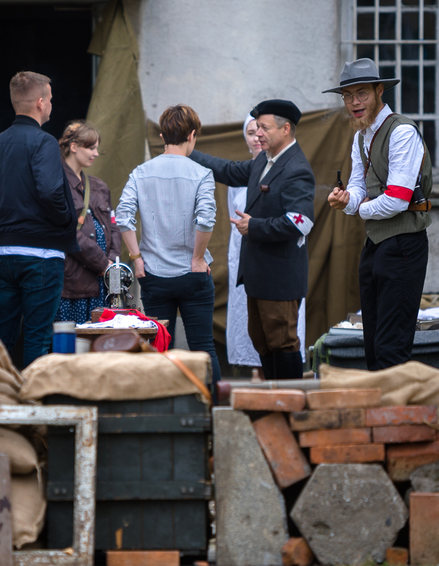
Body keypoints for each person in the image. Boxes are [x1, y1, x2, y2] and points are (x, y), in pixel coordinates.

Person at [188, 99, 315, 380]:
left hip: (280, 277)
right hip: (259, 274)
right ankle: (274, 402)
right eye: (256, 127)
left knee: (282, 343)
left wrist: (254, 226)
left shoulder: (296, 168)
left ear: (285, 129)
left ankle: (289, 407)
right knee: (264, 343)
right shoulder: (264, 160)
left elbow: (301, 221)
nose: (257, 133)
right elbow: (230, 170)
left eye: (264, 128)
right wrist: (189, 152)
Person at [325, 58, 433, 370]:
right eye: (347, 96)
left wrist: (359, 209)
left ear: (379, 91)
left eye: (362, 93)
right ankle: (381, 416)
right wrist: (344, 200)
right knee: (372, 345)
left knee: (391, 347)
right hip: (375, 246)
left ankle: (399, 416)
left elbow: (398, 200)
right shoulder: (361, 136)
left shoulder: (401, 132)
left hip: (404, 246)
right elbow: (359, 188)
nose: (354, 102)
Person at [0, 71, 78, 367]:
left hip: (5, 253)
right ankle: (34, 405)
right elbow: (48, 190)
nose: (53, 105)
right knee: (37, 335)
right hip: (41, 255)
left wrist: (3, 228)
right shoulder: (43, 142)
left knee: (3, 333)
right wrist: (63, 222)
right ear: (41, 103)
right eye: (52, 99)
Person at [116, 104, 222, 386]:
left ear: (162, 135)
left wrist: (136, 257)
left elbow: (123, 216)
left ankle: (158, 411)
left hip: (153, 273)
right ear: (192, 134)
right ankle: (214, 412)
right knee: (203, 348)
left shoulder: (140, 172)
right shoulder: (202, 173)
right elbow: (206, 219)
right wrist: (198, 258)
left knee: (157, 348)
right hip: (193, 274)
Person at [55, 121, 122, 325]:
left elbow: (113, 226)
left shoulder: (99, 186)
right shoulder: (56, 183)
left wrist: (111, 262)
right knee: (72, 346)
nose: (96, 153)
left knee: (98, 345)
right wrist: (102, 263)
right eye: (90, 147)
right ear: (74, 147)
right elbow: (66, 231)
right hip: (72, 282)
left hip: (101, 282)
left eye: (96, 148)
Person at [225, 114, 263, 370]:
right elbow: (232, 214)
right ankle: (252, 371)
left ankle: (270, 371)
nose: (256, 137)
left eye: (259, 130)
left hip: (270, 253)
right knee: (244, 311)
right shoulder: (238, 177)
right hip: (241, 253)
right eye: (250, 132)